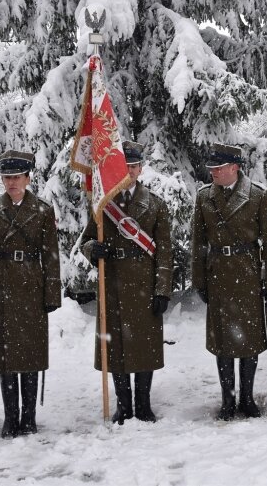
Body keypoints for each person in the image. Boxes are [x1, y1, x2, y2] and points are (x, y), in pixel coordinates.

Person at [82, 141, 173, 424]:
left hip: (145, 283)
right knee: (117, 347)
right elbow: (86, 239)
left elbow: (165, 251)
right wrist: (91, 251)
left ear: (141, 168)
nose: (130, 171)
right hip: (114, 282)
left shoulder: (156, 204)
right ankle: (123, 404)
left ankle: (143, 405)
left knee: (144, 347)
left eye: (134, 166)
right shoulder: (103, 203)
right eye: (125, 166)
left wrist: (162, 290)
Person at [0, 151, 61, 437]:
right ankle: (10, 418)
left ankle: (29, 417)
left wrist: (52, 294)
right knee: (6, 358)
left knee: (31, 356)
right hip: (1, 286)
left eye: (16, 177)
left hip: (32, 286)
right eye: (6, 177)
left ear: (27, 178)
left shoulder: (44, 210)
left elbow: (51, 256)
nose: (10, 183)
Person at [191, 143, 267, 421]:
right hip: (218, 274)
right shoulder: (204, 197)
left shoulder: (256, 195)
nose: (213, 172)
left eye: (218, 168)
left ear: (234, 167)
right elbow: (199, 243)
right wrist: (199, 281)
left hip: (248, 275)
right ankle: (228, 400)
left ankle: (247, 397)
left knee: (250, 342)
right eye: (212, 169)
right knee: (223, 342)